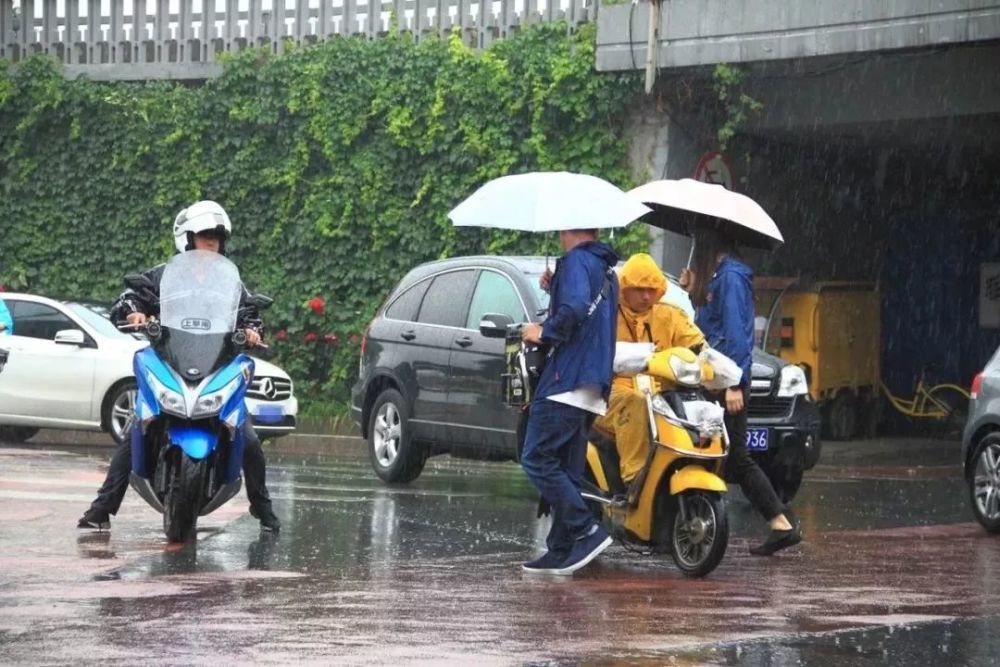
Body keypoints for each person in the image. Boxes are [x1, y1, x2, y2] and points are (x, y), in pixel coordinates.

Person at [77, 201, 281, 532]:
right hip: (170, 361)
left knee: (248, 437)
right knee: (138, 428)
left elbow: (249, 314)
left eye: (216, 236)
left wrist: (253, 331)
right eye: (204, 235)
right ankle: (102, 507)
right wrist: (134, 312)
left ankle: (261, 505)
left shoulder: (231, 282)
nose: (211, 242)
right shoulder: (162, 274)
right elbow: (129, 298)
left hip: (215, 364)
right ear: (186, 238)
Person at [681, 226, 801, 556]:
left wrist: (735, 384)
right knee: (729, 457)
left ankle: (779, 523)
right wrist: (694, 291)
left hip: (725, 382)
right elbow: (709, 325)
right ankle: (779, 524)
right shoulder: (719, 277)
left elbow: (736, 335)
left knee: (732, 457)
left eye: (696, 239)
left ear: (707, 242)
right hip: (716, 379)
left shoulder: (731, 277)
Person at [519, 228, 619, 575]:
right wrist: (556, 285)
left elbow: (576, 309)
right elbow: (587, 313)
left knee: (536, 457)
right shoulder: (604, 266)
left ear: (568, 227)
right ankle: (561, 548)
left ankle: (585, 530)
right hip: (592, 383)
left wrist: (542, 332)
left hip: (566, 378)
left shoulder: (577, 260)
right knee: (567, 468)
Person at [592, 253, 705, 502]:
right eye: (639, 289)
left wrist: (710, 363)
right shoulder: (607, 314)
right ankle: (635, 481)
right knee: (635, 403)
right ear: (626, 288)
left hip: (661, 395)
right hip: (612, 393)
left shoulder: (669, 315)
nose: (646, 296)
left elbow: (696, 344)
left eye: (652, 290)